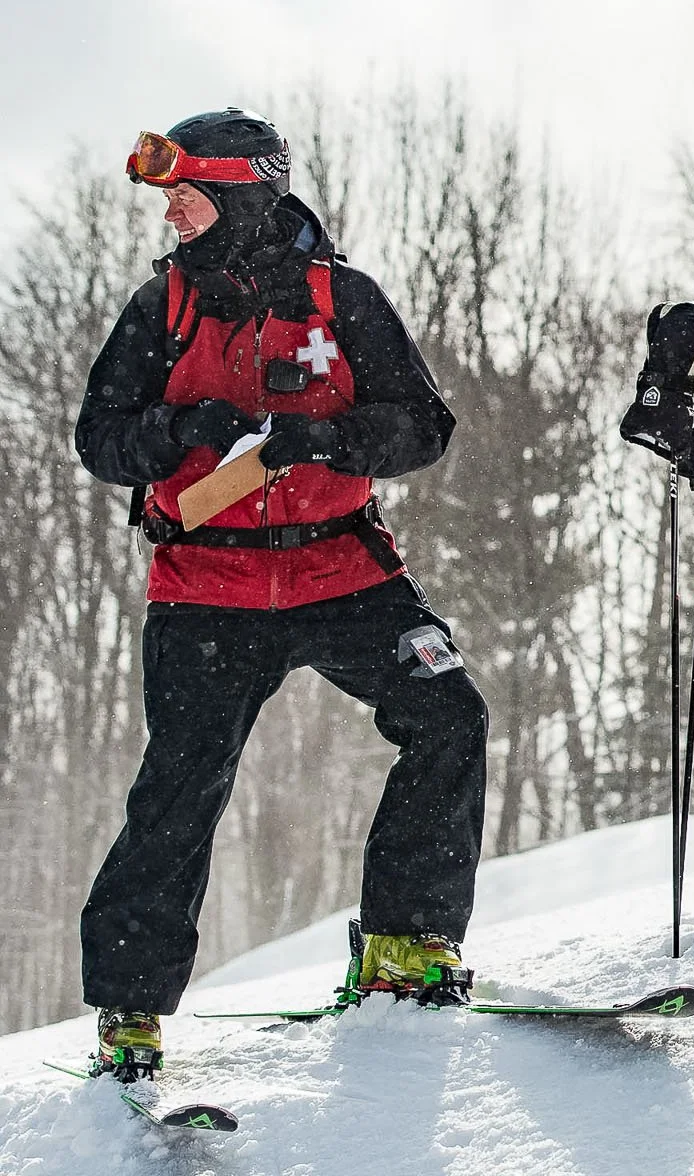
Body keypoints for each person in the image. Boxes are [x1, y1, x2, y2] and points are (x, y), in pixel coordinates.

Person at [74, 110, 487, 1080]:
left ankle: (407, 946)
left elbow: (423, 428)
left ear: (242, 196)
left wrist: (326, 441)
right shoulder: (160, 304)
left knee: (448, 714)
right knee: (181, 783)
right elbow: (100, 436)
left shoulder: (341, 297)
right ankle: (130, 1010)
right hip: (204, 587)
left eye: (187, 195)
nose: (171, 213)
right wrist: (182, 428)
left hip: (343, 572)